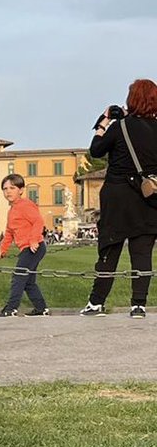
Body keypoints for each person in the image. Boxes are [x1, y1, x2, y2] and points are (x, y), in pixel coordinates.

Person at [80, 80, 157, 318]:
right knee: (142, 253)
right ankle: (138, 305)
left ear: (130, 100)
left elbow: (96, 150)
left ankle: (96, 303)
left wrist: (104, 121)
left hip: (117, 196)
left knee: (109, 250)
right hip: (148, 196)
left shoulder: (120, 127)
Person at [0, 173, 49, 316]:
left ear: (21, 190)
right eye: (5, 189)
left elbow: (38, 222)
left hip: (33, 247)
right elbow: (9, 232)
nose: (8, 192)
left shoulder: (25, 205)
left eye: (12, 188)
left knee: (18, 277)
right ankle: (42, 309)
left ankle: (11, 309)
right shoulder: (12, 210)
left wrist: (33, 240)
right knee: (29, 282)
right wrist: (3, 248)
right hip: (28, 247)